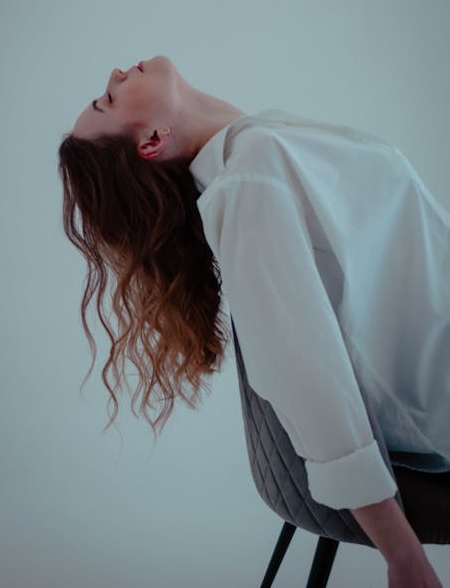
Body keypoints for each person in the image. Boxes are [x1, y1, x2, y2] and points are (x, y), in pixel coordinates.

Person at [57, 55, 446, 587]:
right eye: (107, 101)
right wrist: (401, 554)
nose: (116, 75)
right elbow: (307, 377)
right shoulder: (250, 176)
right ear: (151, 140)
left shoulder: (256, 146)